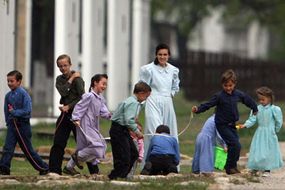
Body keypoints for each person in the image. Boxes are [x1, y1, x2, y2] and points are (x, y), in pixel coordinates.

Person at [192, 69, 258, 175]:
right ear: (222, 85)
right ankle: (229, 167)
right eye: (226, 85)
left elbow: (247, 100)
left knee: (237, 146)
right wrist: (198, 109)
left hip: (232, 125)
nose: (228, 88)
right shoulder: (219, 96)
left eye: (230, 85)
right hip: (222, 125)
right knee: (234, 144)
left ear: (234, 84)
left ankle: (232, 166)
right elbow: (208, 104)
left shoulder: (238, 94)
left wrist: (254, 109)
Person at [49, 54, 97, 175]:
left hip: (78, 115)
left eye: (65, 65)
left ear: (70, 65)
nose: (63, 68)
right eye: (60, 66)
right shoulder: (59, 80)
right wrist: (70, 79)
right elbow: (64, 92)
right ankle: (54, 170)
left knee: (85, 143)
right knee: (58, 142)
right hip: (65, 116)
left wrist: (69, 106)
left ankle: (94, 171)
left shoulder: (78, 80)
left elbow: (83, 98)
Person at [0, 70, 49, 175]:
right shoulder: (8, 96)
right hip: (12, 125)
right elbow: (6, 110)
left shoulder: (24, 94)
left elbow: (27, 110)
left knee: (27, 150)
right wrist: (8, 122)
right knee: (8, 148)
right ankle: (4, 168)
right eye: (8, 81)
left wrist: (15, 112)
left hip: (22, 125)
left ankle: (43, 167)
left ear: (19, 82)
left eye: (11, 81)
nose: (9, 83)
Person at [139, 43, 180, 166]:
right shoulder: (148, 69)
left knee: (169, 131)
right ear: (156, 55)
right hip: (153, 101)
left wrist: (170, 94)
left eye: (165, 54)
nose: (162, 57)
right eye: (160, 54)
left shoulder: (173, 70)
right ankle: (150, 164)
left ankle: (170, 163)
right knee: (154, 131)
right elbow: (142, 86)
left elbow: (175, 86)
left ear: (169, 55)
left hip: (167, 102)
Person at [63, 74, 111, 176]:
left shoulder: (100, 98)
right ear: (95, 83)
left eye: (106, 84)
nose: (104, 86)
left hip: (93, 125)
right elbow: (79, 107)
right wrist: (76, 118)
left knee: (93, 147)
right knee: (98, 146)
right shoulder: (89, 96)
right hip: (85, 124)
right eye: (103, 84)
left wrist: (114, 116)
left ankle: (69, 167)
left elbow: (105, 112)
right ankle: (78, 156)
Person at [108, 81, 151, 180]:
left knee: (133, 154)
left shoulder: (131, 100)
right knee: (124, 157)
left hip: (123, 130)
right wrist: (137, 132)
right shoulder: (133, 103)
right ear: (141, 94)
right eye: (146, 97)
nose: (146, 99)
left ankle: (121, 175)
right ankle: (116, 176)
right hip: (119, 130)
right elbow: (128, 120)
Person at [239, 86, 283, 177]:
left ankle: (267, 169)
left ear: (269, 98)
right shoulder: (257, 109)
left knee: (268, 151)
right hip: (260, 132)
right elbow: (252, 119)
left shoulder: (274, 109)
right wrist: (245, 124)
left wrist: (275, 130)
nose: (261, 101)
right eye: (259, 99)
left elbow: (279, 122)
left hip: (270, 132)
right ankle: (255, 168)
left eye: (263, 99)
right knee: (257, 150)